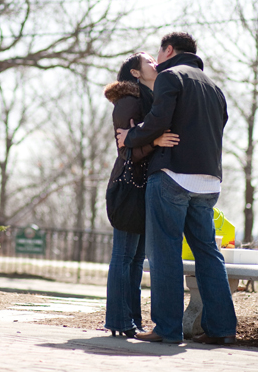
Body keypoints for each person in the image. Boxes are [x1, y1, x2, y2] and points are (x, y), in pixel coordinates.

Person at [116, 32, 237, 345]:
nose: (157, 58)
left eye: (159, 51)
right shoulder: (215, 88)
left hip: (172, 175)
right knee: (209, 254)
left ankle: (167, 329)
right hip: (209, 181)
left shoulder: (171, 77)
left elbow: (158, 120)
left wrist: (129, 138)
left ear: (169, 50)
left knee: (164, 253)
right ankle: (222, 328)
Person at [103, 52, 179, 337]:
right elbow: (126, 150)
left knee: (136, 260)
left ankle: (131, 321)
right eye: (148, 62)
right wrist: (155, 140)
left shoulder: (150, 99)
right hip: (128, 187)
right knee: (124, 256)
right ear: (135, 73)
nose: (155, 64)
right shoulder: (128, 101)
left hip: (146, 186)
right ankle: (119, 321)